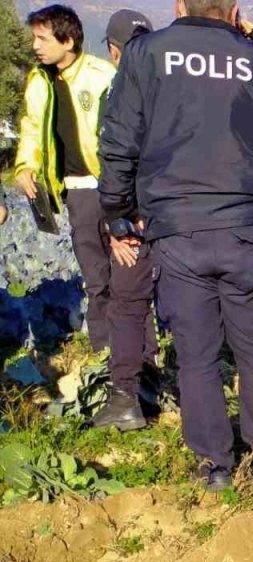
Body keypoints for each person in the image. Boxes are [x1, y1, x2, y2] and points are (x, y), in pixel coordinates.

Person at [98, 0, 253, 492]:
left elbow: (118, 139)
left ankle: (215, 469)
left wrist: (118, 212)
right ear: (236, 9)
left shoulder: (145, 54)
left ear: (179, 5)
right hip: (246, 230)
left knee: (197, 355)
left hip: (177, 229)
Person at [15, 5, 119, 354]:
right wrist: (25, 166)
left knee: (127, 270)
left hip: (115, 187)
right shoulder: (39, 81)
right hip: (78, 191)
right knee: (94, 273)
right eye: (34, 38)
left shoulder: (102, 74)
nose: (35, 46)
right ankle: (105, 350)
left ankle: (137, 346)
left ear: (68, 39)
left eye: (42, 38)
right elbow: (31, 127)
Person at [91, 8, 158, 432]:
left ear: (115, 52)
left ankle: (126, 400)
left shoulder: (116, 95)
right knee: (194, 309)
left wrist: (116, 222)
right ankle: (192, 396)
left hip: (137, 221)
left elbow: (115, 162)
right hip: (182, 217)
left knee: (129, 306)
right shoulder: (177, 89)